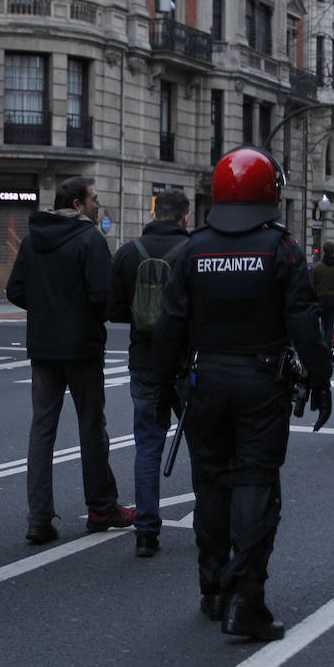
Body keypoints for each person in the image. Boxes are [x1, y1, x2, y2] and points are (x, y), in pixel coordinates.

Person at [151, 146, 332, 642]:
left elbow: (170, 325)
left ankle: (212, 589)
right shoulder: (282, 249)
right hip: (261, 382)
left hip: (203, 382)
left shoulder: (192, 249)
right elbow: (303, 322)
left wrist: (161, 384)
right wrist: (320, 377)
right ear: (269, 192)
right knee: (254, 484)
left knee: (209, 484)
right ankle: (246, 600)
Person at [6, 176, 135, 544]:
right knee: (92, 427)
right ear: (77, 205)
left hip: (44, 348)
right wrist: (80, 312)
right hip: (81, 347)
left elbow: (15, 289)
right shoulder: (90, 239)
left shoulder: (33, 239)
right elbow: (102, 296)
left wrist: (46, 309)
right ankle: (101, 507)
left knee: (42, 429)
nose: (99, 206)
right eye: (94, 199)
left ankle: (39, 519)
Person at [107, 188, 189, 558]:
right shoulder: (194, 251)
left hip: (143, 361)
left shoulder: (127, 252)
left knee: (147, 447)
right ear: (184, 217)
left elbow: (115, 309)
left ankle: (145, 532)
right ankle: (209, 526)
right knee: (204, 445)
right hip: (187, 363)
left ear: (155, 213)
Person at [312, 244, 334, 348]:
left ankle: (324, 347)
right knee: (331, 326)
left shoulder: (317, 267)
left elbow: (312, 284)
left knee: (323, 324)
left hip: (321, 299)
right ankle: (328, 348)